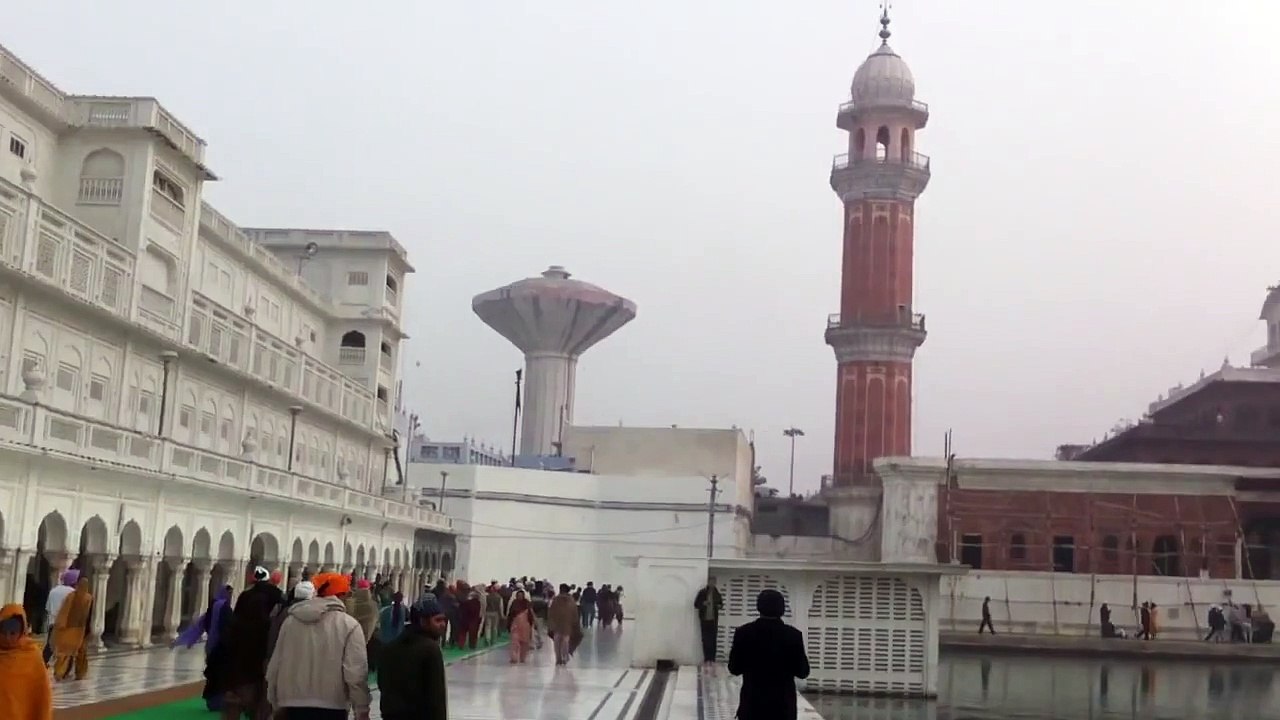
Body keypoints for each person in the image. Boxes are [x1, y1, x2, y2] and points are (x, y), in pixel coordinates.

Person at [267, 572, 372, 720]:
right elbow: (355, 673)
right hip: (332, 707)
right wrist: (361, 709)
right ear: (341, 595)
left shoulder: (290, 622)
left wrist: (274, 701)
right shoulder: (349, 625)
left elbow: (275, 665)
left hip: (291, 704)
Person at [727, 589, 810, 720]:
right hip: (783, 708)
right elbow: (803, 671)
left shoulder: (744, 633)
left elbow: (734, 668)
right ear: (782, 609)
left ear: (759, 607)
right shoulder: (793, 635)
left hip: (752, 705)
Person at [224, 566, 284, 720]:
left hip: (243, 652)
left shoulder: (245, 596)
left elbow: (234, 623)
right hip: (266, 650)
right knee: (263, 695)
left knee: (239, 693)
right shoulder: (277, 596)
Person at [378, 596, 450, 720]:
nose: (443, 625)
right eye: (437, 620)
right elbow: (436, 696)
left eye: (444, 620)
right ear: (423, 621)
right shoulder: (430, 649)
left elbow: (382, 683)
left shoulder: (391, 646)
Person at [175, 585, 234, 711]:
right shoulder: (222, 607)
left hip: (212, 645)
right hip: (220, 646)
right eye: (229, 593)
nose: (230, 596)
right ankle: (216, 701)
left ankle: (213, 700)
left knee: (214, 673)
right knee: (218, 674)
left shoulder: (214, 606)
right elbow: (225, 627)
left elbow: (202, 624)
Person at [0, 603, 53, 720]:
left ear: (21, 632)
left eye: (13, 633)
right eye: (4, 633)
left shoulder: (32, 656)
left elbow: (42, 696)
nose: (8, 638)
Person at [50, 575, 93, 681]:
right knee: (80, 653)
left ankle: (59, 672)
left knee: (65, 652)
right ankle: (80, 673)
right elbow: (90, 615)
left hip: (69, 629)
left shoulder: (71, 596)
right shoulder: (89, 598)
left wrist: (60, 625)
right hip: (81, 630)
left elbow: (64, 612)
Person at [42, 568, 79, 666]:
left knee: (49, 646)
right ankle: (63, 669)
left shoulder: (54, 590)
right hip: (66, 624)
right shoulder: (73, 593)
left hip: (53, 622)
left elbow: (48, 607)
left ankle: (41, 663)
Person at [694, 577, 725, 664]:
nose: (712, 583)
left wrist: (719, 606)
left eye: (714, 582)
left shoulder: (716, 593)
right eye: (711, 582)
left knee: (713, 639)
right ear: (708, 582)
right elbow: (696, 604)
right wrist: (703, 603)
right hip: (704, 619)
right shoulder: (702, 592)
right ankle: (706, 658)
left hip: (713, 620)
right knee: (705, 639)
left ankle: (712, 658)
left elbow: (721, 604)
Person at [548, 583, 579, 666]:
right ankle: (561, 658)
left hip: (563, 625)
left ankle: (561, 658)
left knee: (560, 642)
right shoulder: (560, 600)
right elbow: (551, 613)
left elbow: (551, 613)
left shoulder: (566, 600)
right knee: (562, 642)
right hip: (562, 625)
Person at [506, 589, 535, 664]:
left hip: (525, 625)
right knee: (514, 641)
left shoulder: (527, 603)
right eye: (518, 595)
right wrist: (508, 624)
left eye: (521, 595)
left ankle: (523, 657)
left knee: (524, 642)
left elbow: (530, 615)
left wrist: (531, 624)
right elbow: (510, 615)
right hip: (515, 625)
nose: (519, 597)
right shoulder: (514, 603)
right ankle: (514, 658)